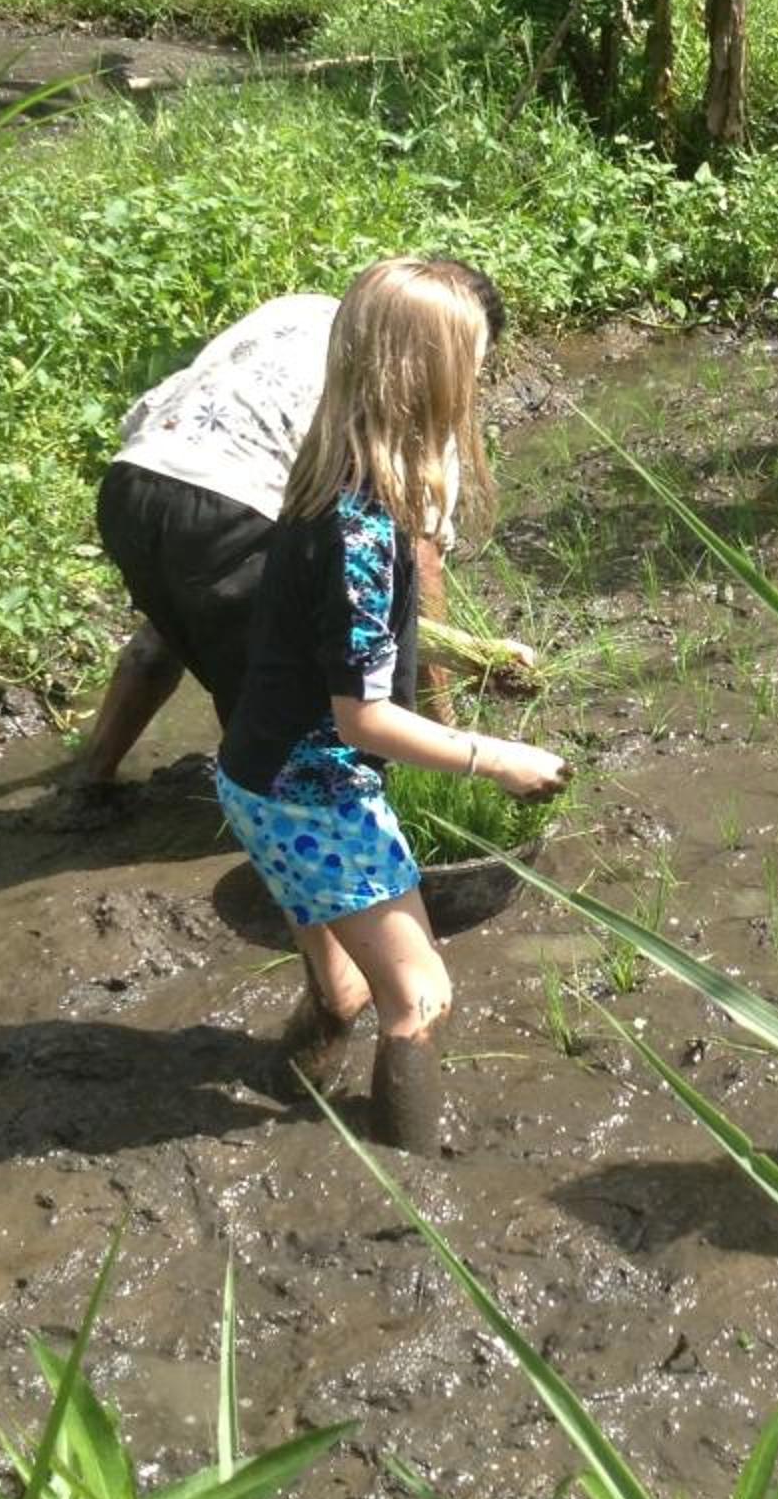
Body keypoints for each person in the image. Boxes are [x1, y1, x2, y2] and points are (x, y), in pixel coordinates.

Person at [212, 258, 569, 1150]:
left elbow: (337, 648)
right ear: (430, 377)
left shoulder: (324, 483)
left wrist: (465, 656)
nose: (479, 384)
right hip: (315, 799)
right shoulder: (362, 532)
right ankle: (407, 1186)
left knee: (344, 988)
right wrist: (500, 758)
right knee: (419, 997)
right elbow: (362, 719)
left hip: (254, 778)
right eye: (472, 365)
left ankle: (291, 1090)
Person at [70, 265, 535, 809]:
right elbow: (417, 569)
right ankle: (293, 834)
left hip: (134, 485)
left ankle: (90, 782)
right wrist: (447, 733)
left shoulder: (301, 310)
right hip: (234, 512)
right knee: (297, 730)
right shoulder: (414, 396)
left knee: (177, 621)